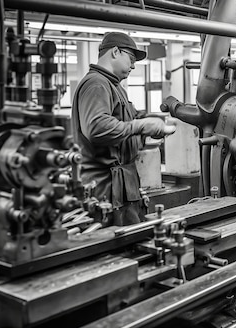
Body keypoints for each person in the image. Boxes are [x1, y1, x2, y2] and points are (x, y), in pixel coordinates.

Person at [71, 32, 175, 226]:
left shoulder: (114, 86)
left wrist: (152, 126)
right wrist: (140, 126)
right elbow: (96, 128)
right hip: (105, 189)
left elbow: (132, 119)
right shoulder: (96, 84)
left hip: (121, 186)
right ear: (115, 52)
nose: (134, 65)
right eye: (131, 58)